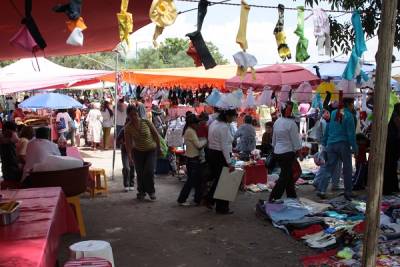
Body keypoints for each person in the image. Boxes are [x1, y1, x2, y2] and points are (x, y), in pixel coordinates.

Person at [319, 98, 358, 200]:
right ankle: (348, 191)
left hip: (331, 144)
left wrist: (324, 142)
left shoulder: (333, 113)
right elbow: (351, 134)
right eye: (352, 104)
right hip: (343, 144)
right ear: (349, 105)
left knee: (328, 168)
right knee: (347, 169)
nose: (353, 106)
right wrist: (355, 148)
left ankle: (322, 190)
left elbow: (328, 128)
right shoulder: (349, 116)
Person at [124, 105, 161, 201]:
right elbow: (128, 143)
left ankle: (151, 192)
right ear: (128, 116)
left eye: (135, 114)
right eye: (131, 115)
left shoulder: (146, 122)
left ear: (138, 113)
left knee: (148, 171)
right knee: (140, 173)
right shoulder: (127, 128)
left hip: (151, 150)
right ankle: (141, 192)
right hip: (138, 152)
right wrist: (129, 156)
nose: (133, 117)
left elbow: (156, 135)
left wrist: (159, 148)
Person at [269, 102, 302, 203]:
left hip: (278, 152)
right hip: (287, 153)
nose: (290, 111)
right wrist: (299, 152)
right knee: (284, 177)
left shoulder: (277, 121)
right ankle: (273, 197)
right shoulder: (291, 124)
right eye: (289, 109)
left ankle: (292, 197)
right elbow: (296, 142)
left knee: (288, 175)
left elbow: (273, 141)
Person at [207, 109, 237, 214]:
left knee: (219, 180)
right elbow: (224, 146)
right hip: (221, 155)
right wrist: (229, 162)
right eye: (234, 116)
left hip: (213, 153)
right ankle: (222, 207)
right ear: (228, 116)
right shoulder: (223, 127)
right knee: (224, 182)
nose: (234, 118)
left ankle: (210, 200)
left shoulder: (215, 123)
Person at [177, 114, 207, 206]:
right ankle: (182, 199)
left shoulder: (190, 130)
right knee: (191, 182)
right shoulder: (190, 131)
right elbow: (198, 145)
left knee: (197, 181)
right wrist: (206, 140)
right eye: (196, 123)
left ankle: (197, 200)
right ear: (192, 124)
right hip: (193, 159)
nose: (197, 125)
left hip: (192, 159)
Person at [383, 103, 400, 195]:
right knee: (391, 166)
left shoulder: (390, 115)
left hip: (389, 143)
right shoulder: (396, 116)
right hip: (393, 144)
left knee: (389, 166)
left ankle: (391, 187)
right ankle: (390, 188)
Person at [117, 119, 135, 192]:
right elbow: (118, 140)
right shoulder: (123, 130)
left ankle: (131, 184)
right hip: (125, 151)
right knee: (126, 168)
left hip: (133, 151)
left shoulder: (135, 130)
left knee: (132, 167)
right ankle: (126, 184)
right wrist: (123, 143)